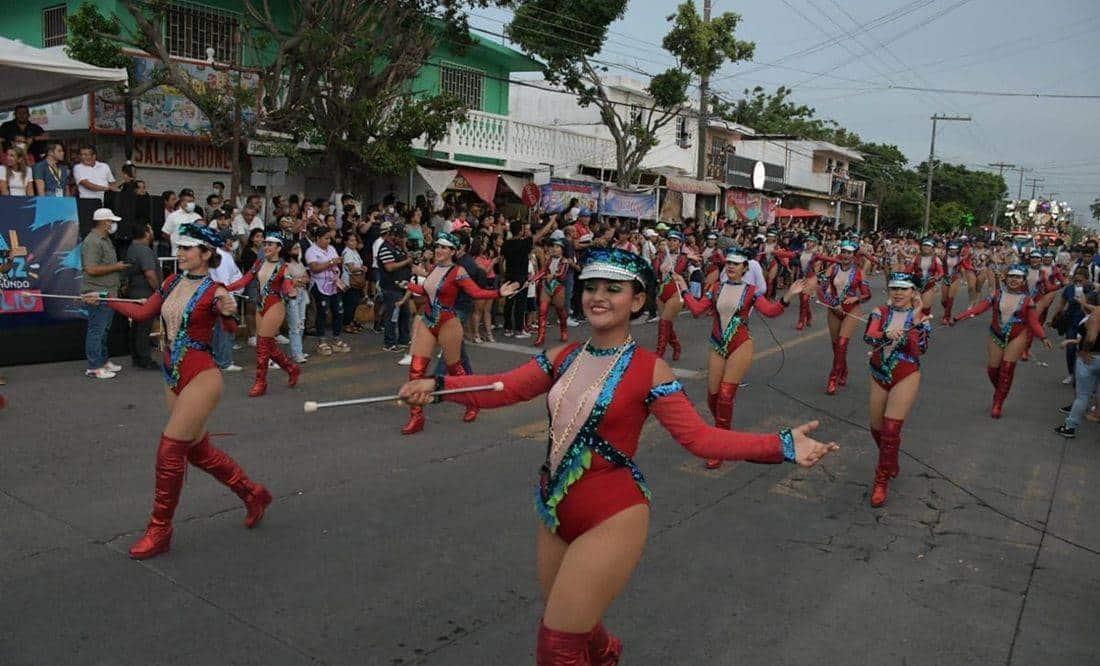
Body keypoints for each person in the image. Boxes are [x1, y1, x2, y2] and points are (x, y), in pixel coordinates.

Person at [398, 248, 839, 664]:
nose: (598, 297)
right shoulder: (564, 355)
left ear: (637, 299)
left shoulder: (649, 369)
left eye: (613, 288)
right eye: (591, 287)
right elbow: (504, 388)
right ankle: (607, 654)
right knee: (574, 621)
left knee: (557, 645)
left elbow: (701, 440)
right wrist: (436, 389)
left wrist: (780, 444)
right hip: (554, 510)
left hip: (613, 513)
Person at [83, 223, 271, 559]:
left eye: (187, 248)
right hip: (172, 375)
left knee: (170, 450)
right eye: (179, 247)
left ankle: (160, 530)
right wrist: (105, 300)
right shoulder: (171, 282)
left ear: (206, 254)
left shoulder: (215, 291)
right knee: (197, 451)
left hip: (202, 376)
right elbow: (143, 313)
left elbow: (229, 326)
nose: (180, 253)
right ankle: (253, 493)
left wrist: (228, 312)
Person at [677, 247, 806, 469]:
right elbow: (697, 310)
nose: (730, 267)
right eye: (728, 263)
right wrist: (685, 290)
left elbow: (771, 311)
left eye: (735, 264)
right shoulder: (716, 288)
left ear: (745, 268)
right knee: (713, 397)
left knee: (726, 395)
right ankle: (725, 433)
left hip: (740, 345)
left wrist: (787, 297)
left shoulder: (752, 291)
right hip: (717, 344)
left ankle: (720, 447)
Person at [398, 232, 519, 435]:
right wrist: (408, 286)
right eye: (438, 246)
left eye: (444, 247)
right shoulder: (434, 268)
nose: (439, 250)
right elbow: (427, 290)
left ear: (453, 251)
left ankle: (473, 403)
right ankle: (417, 417)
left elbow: (475, 292)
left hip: (448, 324)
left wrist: (498, 293)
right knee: (416, 370)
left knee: (456, 371)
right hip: (428, 322)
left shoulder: (459, 271)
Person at [862, 273, 932, 507]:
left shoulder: (922, 318)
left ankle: (881, 481)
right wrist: (884, 334)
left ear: (914, 292)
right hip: (879, 373)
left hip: (906, 374)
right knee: (876, 428)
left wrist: (915, 318)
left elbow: (919, 348)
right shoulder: (879, 312)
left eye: (904, 289)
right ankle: (890, 456)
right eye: (894, 288)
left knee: (891, 428)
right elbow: (869, 336)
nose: (898, 293)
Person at [953, 265, 1054, 418]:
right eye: (1011, 276)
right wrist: (959, 317)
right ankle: (1000, 391)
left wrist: (1043, 337)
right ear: (1006, 278)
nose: (1014, 280)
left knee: (1007, 368)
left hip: (1018, 335)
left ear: (1023, 281)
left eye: (1018, 277)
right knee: (992, 370)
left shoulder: (1028, 301)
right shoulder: (996, 294)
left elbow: (1033, 322)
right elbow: (979, 308)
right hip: (996, 334)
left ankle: (998, 402)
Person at [227, 234, 302, 395]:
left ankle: (260, 383)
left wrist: (291, 291)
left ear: (279, 248)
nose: (266, 247)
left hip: (275, 306)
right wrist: (225, 288)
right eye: (265, 244)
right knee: (269, 345)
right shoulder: (259, 262)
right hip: (260, 307)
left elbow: (287, 285)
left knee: (262, 346)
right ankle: (291, 368)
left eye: (270, 244)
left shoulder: (283, 267)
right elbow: (245, 280)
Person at [81, 208, 129, 379]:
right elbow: (91, 269)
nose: (113, 224)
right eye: (110, 221)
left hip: (108, 292)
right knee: (97, 330)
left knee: (104, 329)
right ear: (103, 222)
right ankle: (94, 366)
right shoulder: (93, 241)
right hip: (97, 293)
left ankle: (102, 360)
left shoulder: (105, 239)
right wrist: (116, 267)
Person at [1056, 294, 1099, 438]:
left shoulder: (1096, 315)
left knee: (1082, 395)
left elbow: (1091, 337)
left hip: (1091, 357)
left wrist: (1085, 351)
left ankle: (1070, 426)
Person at [305, 226, 349, 355]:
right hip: (319, 285)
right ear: (318, 238)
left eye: (329, 238)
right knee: (322, 312)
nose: (328, 241)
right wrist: (331, 262)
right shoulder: (311, 251)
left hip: (334, 284)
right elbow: (314, 268)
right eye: (326, 238)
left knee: (338, 311)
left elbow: (335, 263)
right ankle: (321, 341)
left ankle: (336, 339)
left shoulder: (331, 248)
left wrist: (337, 263)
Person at [125, 224, 163, 370]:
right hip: (146, 294)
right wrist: (159, 291)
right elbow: (149, 273)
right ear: (147, 233)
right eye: (151, 229)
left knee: (137, 326)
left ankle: (137, 356)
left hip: (135, 292)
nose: (153, 232)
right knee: (143, 327)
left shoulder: (132, 248)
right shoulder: (145, 250)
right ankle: (144, 359)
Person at [207, 230, 244, 373]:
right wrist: (228, 300)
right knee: (226, 330)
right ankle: (224, 361)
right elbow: (223, 281)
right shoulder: (222, 257)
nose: (233, 243)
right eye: (231, 240)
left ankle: (218, 358)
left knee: (219, 330)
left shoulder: (222, 255)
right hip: (225, 297)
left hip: (221, 296)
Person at [534, 237, 573, 347]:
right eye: (554, 246)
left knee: (560, 311)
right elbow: (543, 271)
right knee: (542, 310)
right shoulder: (549, 259)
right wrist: (534, 279)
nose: (554, 249)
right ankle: (540, 336)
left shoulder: (564, 261)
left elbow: (562, 274)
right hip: (546, 286)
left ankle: (564, 330)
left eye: (557, 247)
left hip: (558, 287)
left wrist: (554, 275)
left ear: (562, 250)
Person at [162, 189, 201, 256]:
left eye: (192, 201)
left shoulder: (198, 217)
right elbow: (165, 233)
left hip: (194, 254)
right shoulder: (173, 216)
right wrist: (175, 241)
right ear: (182, 202)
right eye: (189, 201)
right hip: (177, 254)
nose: (191, 204)